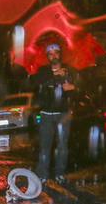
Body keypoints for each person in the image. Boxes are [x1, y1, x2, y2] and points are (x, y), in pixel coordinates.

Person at [30, 43, 79, 184]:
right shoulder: (43, 71)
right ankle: (42, 175)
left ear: (60, 54)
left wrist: (73, 87)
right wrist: (54, 74)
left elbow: (84, 87)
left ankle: (59, 174)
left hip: (63, 114)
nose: (54, 56)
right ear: (47, 57)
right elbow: (34, 82)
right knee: (44, 146)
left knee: (62, 146)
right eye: (51, 54)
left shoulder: (70, 70)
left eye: (56, 53)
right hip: (46, 114)